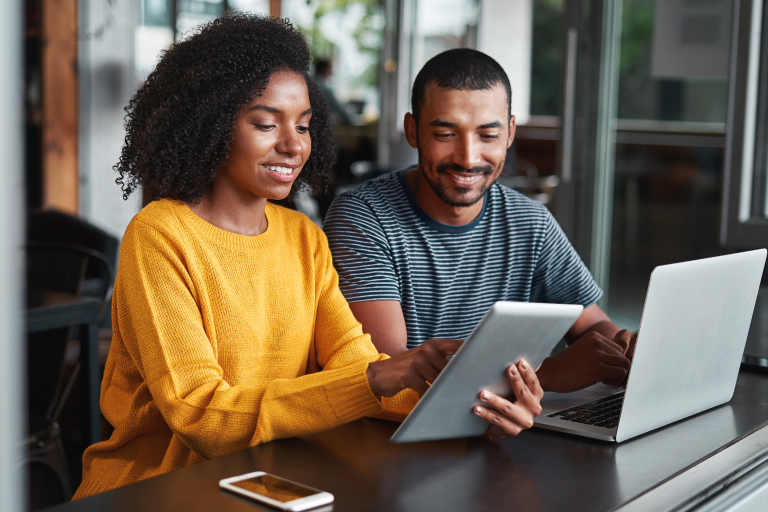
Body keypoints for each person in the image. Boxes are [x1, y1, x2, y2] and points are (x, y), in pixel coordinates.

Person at [73, 17, 544, 500]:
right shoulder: (159, 235)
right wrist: (378, 375)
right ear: (210, 123)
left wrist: (479, 408)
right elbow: (202, 417)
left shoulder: (304, 238)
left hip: (267, 484)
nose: (293, 145)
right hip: (155, 493)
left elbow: (354, 367)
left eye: (303, 125)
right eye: (265, 123)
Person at [324, 48, 637, 394]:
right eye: (445, 134)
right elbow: (390, 373)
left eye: (488, 135)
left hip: (505, 431)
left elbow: (593, 326)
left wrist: (623, 347)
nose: (468, 158)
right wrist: (545, 375)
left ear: (510, 133)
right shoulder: (363, 217)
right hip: (393, 438)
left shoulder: (530, 222)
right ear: (412, 131)